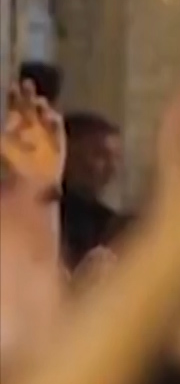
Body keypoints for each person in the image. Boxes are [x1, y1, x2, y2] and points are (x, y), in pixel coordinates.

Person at [59, 112, 126, 269]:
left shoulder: (110, 223)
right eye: (100, 155)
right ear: (67, 154)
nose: (111, 167)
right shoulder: (42, 213)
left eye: (116, 158)